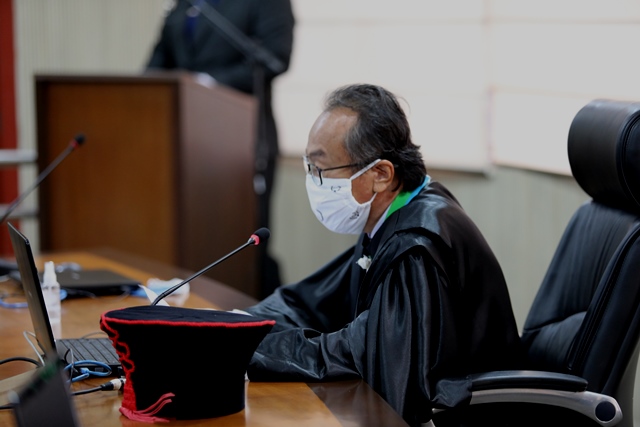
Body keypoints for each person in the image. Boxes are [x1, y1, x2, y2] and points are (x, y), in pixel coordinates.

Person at [243, 84, 523, 425]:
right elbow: (312, 302)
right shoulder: (390, 217)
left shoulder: (415, 245)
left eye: (321, 169)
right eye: (309, 166)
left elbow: (367, 354)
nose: (313, 181)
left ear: (380, 174)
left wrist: (249, 352)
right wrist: (236, 326)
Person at [145, 0, 295, 297]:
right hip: (183, 144)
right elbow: (158, 62)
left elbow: (274, 58)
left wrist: (207, 83)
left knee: (240, 242)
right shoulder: (186, 3)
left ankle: (257, 312)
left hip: (241, 140)